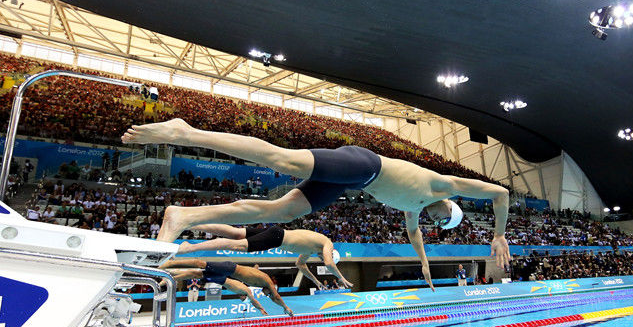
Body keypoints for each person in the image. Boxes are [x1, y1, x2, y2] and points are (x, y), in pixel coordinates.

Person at [122, 118, 510, 290]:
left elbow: (414, 237)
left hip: (351, 182)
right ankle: (186, 132)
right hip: (364, 164)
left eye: (440, 226)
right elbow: (500, 193)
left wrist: (424, 265)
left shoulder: (416, 207)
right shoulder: (441, 184)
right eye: (444, 220)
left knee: (282, 211)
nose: (436, 223)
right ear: (450, 206)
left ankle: (185, 217)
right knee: (285, 160)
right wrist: (498, 234)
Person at [175, 224, 353, 289]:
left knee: (236, 233)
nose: (322, 259)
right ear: (331, 254)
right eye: (325, 257)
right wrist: (341, 277)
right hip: (277, 238)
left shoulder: (311, 250)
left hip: (276, 234)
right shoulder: (327, 243)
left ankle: (192, 224)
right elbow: (329, 263)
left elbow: (300, 265)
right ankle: (190, 247)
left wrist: (316, 281)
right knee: (236, 244)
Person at [160, 258, 294, 316]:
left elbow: (272, 296)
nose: (266, 294)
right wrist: (285, 307)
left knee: (196, 274)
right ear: (272, 287)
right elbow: (276, 297)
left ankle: (169, 279)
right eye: (268, 293)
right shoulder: (267, 282)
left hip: (226, 274)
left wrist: (262, 308)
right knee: (200, 263)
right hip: (230, 268)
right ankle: (171, 263)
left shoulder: (260, 282)